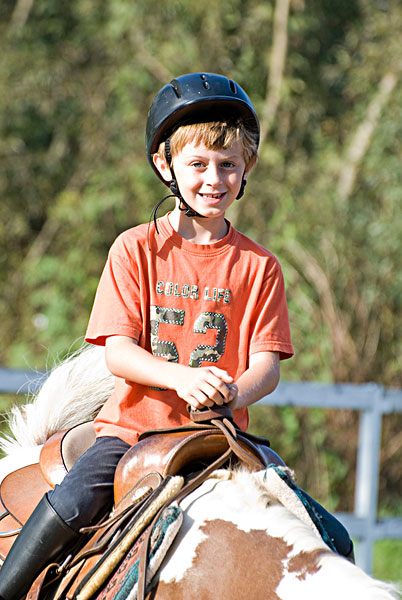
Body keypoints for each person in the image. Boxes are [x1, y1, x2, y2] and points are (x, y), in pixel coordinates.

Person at [0, 73, 353, 600]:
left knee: (334, 539)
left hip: (221, 440)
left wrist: (233, 392)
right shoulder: (135, 249)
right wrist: (183, 379)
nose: (214, 178)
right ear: (166, 166)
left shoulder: (260, 266)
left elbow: (267, 366)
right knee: (72, 504)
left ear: (246, 168)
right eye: (198, 164)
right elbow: (118, 353)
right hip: (130, 434)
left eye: (228, 164)